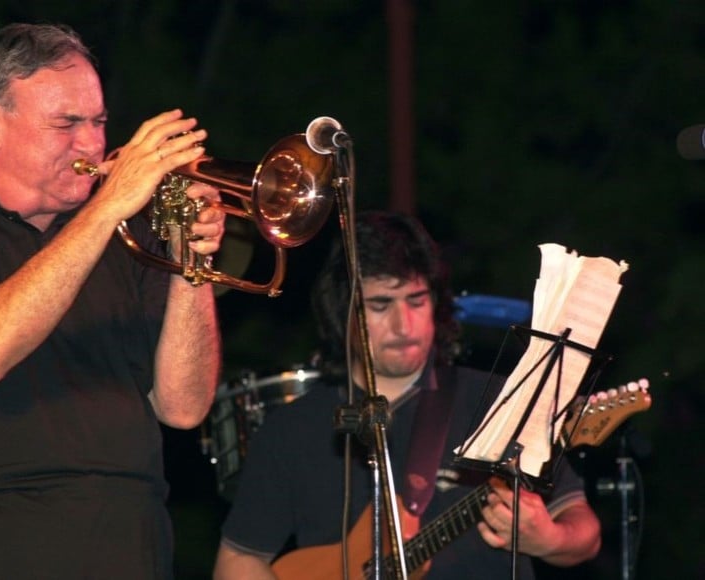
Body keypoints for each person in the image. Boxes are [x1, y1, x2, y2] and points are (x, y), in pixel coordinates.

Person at [0, 23, 224, 579]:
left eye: (99, 121)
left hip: (128, 551)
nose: (93, 144)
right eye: (66, 124)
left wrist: (191, 261)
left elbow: (184, 406)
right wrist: (108, 210)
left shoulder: (127, 236)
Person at [213, 210, 602, 579]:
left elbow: (583, 529)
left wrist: (550, 539)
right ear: (342, 312)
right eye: (381, 305)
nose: (404, 324)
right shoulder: (293, 428)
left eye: (416, 301)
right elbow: (239, 557)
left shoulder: (500, 400)